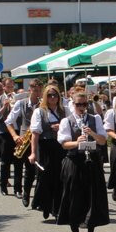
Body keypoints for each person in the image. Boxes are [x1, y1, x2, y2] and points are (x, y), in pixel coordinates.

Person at [55, 88, 109, 232]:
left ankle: (91, 229)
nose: (82, 108)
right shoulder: (67, 121)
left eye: (85, 104)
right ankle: (74, 220)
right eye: (79, 104)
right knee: (74, 194)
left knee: (92, 195)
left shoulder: (95, 119)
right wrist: (76, 142)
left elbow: (103, 141)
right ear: (73, 104)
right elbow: (64, 144)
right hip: (74, 161)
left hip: (92, 161)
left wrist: (91, 133)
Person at [28, 83, 66, 220]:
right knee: (45, 177)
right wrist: (33, 152)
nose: (52, 98)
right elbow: (35, 133)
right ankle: (45, 206)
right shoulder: (39, 111)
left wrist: (60, 126)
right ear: (45, 97)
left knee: (60, 177)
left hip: (61, 147)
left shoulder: (64, 111)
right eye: (49, 95)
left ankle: (57, 208)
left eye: (55, 95)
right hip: (45, 148)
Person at [5, 79, 42, 206]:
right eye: (35, 90)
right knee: (24, 168)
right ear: (29, 90)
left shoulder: (43, 104)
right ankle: (22, 192)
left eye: (39, 91)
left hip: (39, 139)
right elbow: (8, 121)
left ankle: (32, 195)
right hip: (24, 138)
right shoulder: (20, 103)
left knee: (36, 169)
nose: (37, 93)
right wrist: (15, 136)